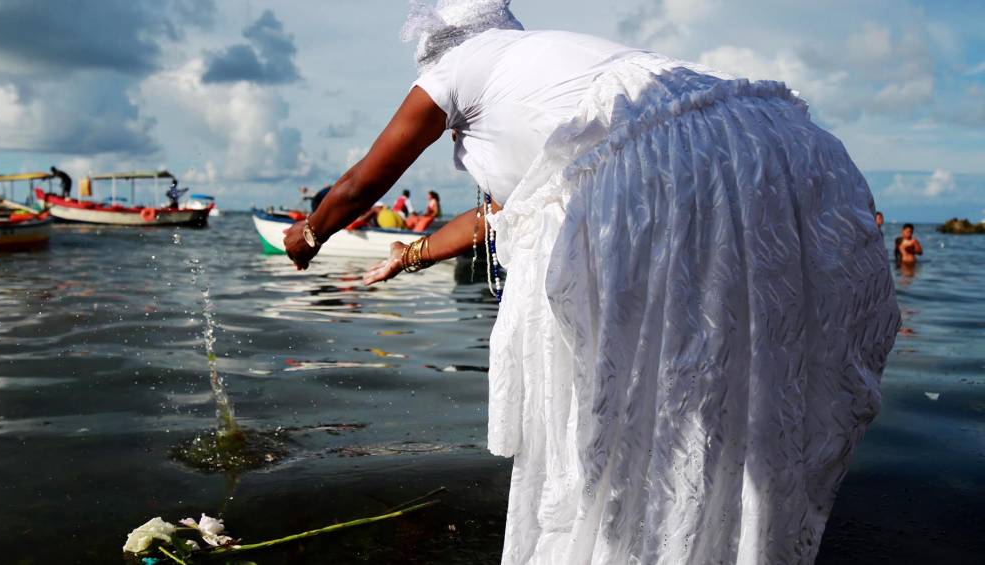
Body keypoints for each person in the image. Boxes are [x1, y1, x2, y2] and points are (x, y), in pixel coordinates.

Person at [283, 2, 900, 563]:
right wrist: (411, 253)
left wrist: (310, 234)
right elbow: (507, 211)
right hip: (780, 148)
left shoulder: (453, 68)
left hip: (663, 169)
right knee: (731, 389)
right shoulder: (548, 63)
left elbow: (364, 180)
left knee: (641, 416)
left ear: (433, 45)